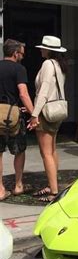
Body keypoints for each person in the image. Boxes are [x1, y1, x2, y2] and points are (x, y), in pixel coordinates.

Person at [29, 36, 68, 202]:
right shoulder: (59, 65)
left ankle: (53, 191)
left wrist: (34, 113)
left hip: (46, 112)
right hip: (57, 111)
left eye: (43, 47)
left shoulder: (47, 64)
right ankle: (53, 185)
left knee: (46, 153)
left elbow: (44, 90)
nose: (40, 50)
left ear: (49, 50)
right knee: (52, 150)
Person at [0, 39, 35, 200]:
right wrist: (33, 113)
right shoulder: (19, 69)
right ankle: (18, 185)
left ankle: (0, 189)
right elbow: (23, 93)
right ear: (15, 53)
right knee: (19, 150)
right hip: (14, 115)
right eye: (21, 53)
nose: (22, 56)